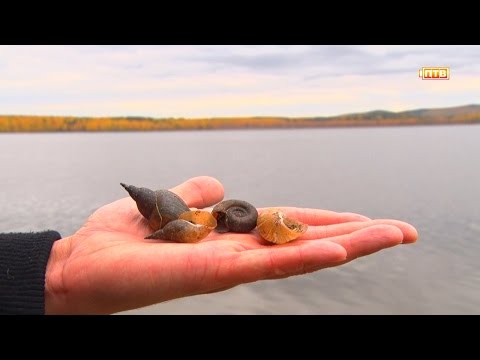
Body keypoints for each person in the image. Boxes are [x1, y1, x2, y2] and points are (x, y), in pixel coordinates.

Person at [0, 176, 418, 315]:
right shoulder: (185, 218)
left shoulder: (222, 218)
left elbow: (238, 219)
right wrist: (55, 273)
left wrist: (54, 273)